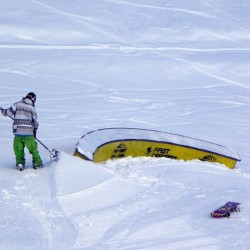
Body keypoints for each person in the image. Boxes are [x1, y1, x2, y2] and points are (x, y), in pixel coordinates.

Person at [0, 92, 43, 170]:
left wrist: (2, 110)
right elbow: (35, 122)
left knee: (18, 149)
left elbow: (8, 112)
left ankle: (20, 163)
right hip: (29, 134)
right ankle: (37, 163)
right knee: (33, 149)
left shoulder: (17, 104)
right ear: (33, 100)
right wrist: (34, 132)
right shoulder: (32, 109)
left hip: (18, 133)